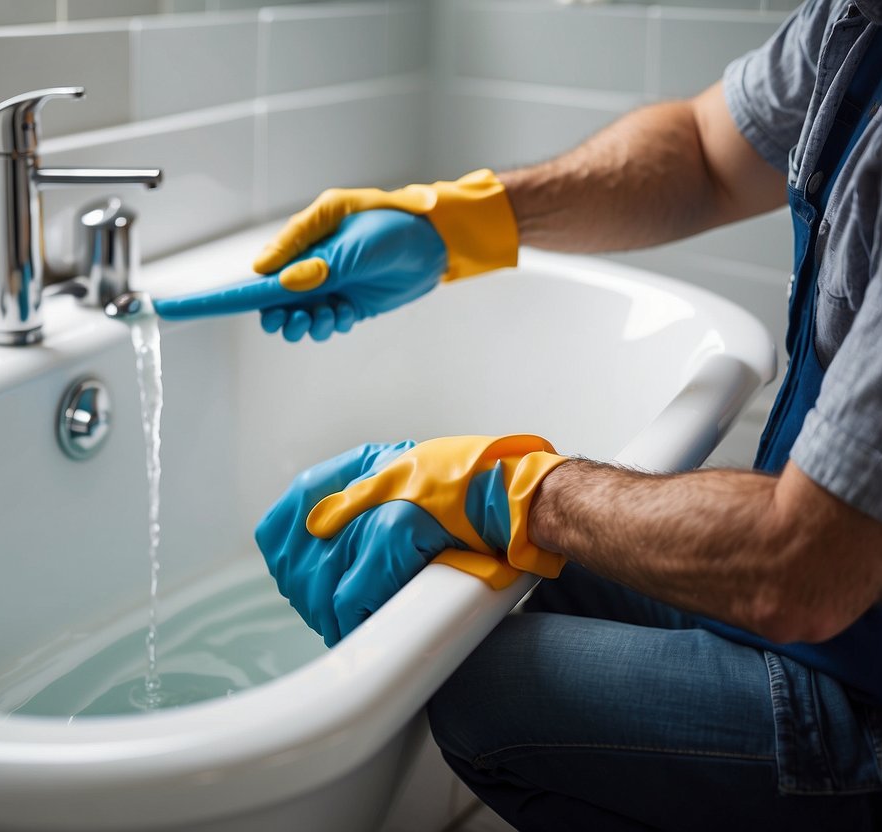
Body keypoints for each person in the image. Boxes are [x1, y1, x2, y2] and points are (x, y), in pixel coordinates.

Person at [155, 2, 882, 828]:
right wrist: (459, 219)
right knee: (511, 585)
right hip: (846, 601)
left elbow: (798, 566)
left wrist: (515, 490)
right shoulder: (852, 23)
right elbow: (704, 152)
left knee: (477, 691)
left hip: (860, 672)